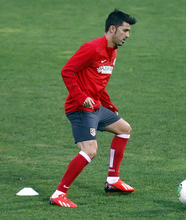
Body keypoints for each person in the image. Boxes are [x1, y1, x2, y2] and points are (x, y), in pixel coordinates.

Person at [49, 9, 137, 208]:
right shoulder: (92, 48)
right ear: (112, 29)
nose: (128, 35)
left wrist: (109, 105)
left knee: (124, 129)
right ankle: (59, 194)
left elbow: (99, 84)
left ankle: (113, 180)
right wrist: (81, 98)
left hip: (96, 107)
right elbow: (67, 71)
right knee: (90, 150)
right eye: (125, 30)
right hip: (79, 108)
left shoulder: (112, 51)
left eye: (129, 31)